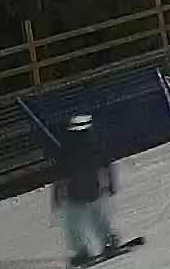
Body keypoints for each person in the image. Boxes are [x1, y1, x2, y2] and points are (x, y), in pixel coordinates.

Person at [52, 113, 122, 267]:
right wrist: (111, 184)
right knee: (98, 218)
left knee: (74, 225)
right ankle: (108, 241)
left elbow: (60, 176)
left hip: (75, 193)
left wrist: (56, 196)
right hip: (93, 189)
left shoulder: (67, 151)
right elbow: (107, 165)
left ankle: (82, 252)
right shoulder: (95, 146)